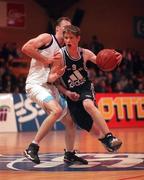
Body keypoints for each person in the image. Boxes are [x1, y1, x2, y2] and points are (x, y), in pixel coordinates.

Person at [21, 17, 88, 165]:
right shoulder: (47, 38)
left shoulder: (65, 51)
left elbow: (54, 79)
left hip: (50, 86)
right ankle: (32, 147)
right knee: (56, 111)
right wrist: (46, 61)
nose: (68, 29)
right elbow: (26, 48)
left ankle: (69, 154)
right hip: (36, 84)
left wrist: (67, 92)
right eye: (65, 27)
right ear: (57, 29)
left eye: (71, 28)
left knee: (70, 121)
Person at [51, 25, 122, 152]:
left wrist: (116, 59)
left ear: (78, 38)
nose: (67, 40)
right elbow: (54, 81)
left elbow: (103, 62)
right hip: (70, 92)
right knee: (83, 123)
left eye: (71, 38)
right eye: (66, 37)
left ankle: (110, 136)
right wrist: (67, 92)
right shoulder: (60, 55)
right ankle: (104, 140)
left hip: (84, 87)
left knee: (88, 104)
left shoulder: (85, 53)